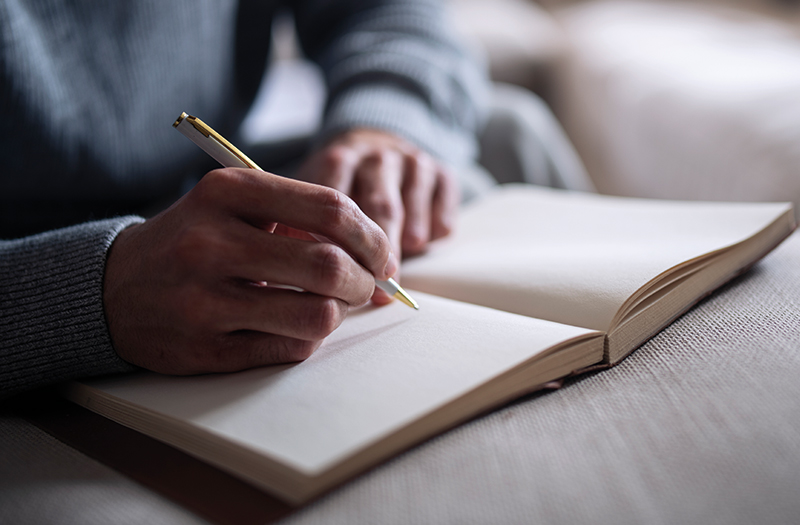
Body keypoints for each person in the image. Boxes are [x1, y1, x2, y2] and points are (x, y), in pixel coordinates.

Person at [0, 0, 493, 398]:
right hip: (35, 265)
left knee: (512, 131)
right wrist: (91, 295)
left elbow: (382, 10)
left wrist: (381, 127)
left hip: (192, 183)